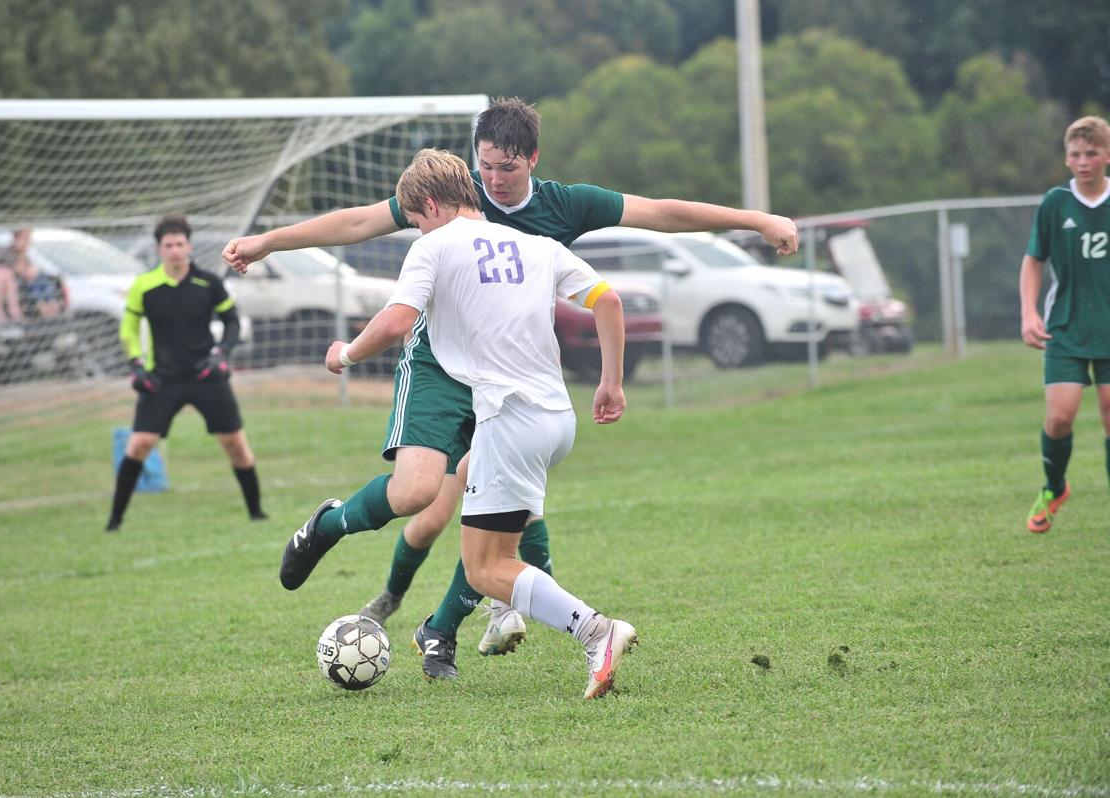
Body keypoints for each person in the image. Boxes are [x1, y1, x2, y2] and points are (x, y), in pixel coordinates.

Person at [223, 97, 799, 672]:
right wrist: (269, 241)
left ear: (533, 160)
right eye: (487, 165)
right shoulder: (452, 200)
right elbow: (356, 222)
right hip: (442, 368)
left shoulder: (564, 206)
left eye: (509, 168)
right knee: (419, 500)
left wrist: (757, 220)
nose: (495, 180)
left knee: (503, 513)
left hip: (514, 377)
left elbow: (663, 213)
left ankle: (446, 629)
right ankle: (335, 527)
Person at [320, 149, 635, 697]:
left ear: (432, 206)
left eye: (414, 219)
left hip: (509, 419)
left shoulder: (434, 246)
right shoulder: (536, 245)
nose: (416, 228)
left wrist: (345, 356)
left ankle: (597, 632)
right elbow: (608, 301)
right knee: (475, 493)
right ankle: (478, 619)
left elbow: (397, 321)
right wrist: (611, 382)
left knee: (488, 566)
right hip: (556, 419)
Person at [106, 214, 267, 533]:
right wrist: (136, 364)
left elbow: (232, 322)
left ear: (189, 246)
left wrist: (220, 354)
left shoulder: (208, 282)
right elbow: (128, 328)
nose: (175, 250)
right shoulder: (144, 285)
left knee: (236, 445)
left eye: (180, 244)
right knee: (138, 445)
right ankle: (115, 520)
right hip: (162, 378)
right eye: (169, 245)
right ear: (160, 249)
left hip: (206, 375)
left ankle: (256, 513)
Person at [1019, 115, 1110, 533]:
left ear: (1106, 155)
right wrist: (1029, 312)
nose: (1083, 161)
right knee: (1060, 418)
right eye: (1075, 154)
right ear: (1067, 158)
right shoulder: (1056, 203)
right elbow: (1034, 260)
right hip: (1066, 327)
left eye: (1091, 153)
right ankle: (1054, 488)